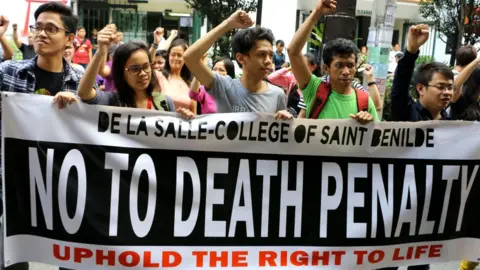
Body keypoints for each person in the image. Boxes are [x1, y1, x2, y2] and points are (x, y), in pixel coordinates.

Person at [0, 3, 81, 270]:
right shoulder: (9, 73)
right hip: (16, 184)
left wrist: (80, 105)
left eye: (51, 28)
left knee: (71, 260)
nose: (41, 34)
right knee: (11, 260)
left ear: (70, 38)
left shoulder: (80, 83)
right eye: (37, 27)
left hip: (63, 188)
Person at [385, 26, 453, 270]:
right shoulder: (408, 114)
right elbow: (399, 90)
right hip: (395, 206)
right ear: (421, 89)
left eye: (450, 87)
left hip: (428, 212)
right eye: (441, 86)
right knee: (387, 263)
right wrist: (411, 51)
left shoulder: (454, 126)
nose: (447, 92)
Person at [183, 10, 291, 120]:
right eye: (261, 54)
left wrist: (287, 122)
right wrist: (228, 24)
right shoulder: (224, 86)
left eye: (271, 55)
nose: (268, 61)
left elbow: (282, 134)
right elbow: (189, 57)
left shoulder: (278, 95)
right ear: (241, 58)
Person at [287, 0, 377, 124]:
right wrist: (316, 13)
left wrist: (369, 124)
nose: (346, 72)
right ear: (326, 68)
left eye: (350, 65)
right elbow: (293, 51)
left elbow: (377, 138)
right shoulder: (314, 89)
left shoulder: (365, 101)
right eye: (339, 65)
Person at [77, 25, 192, 119]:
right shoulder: (112, 100)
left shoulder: (165, 103)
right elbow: (84, 93)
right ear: (121, 72)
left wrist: (184, 120)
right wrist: (101, 51)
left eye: (146, 66)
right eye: (135, 69)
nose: (143, 73)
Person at [157, 38, 197, 112]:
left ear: (185, 59)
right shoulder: (159, 76)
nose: (175, 58)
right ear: (168, 56)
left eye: (179, 55)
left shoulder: (190, 85)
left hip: (184, 122)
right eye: (173, 54)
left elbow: (194, 114)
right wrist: (155, 43)